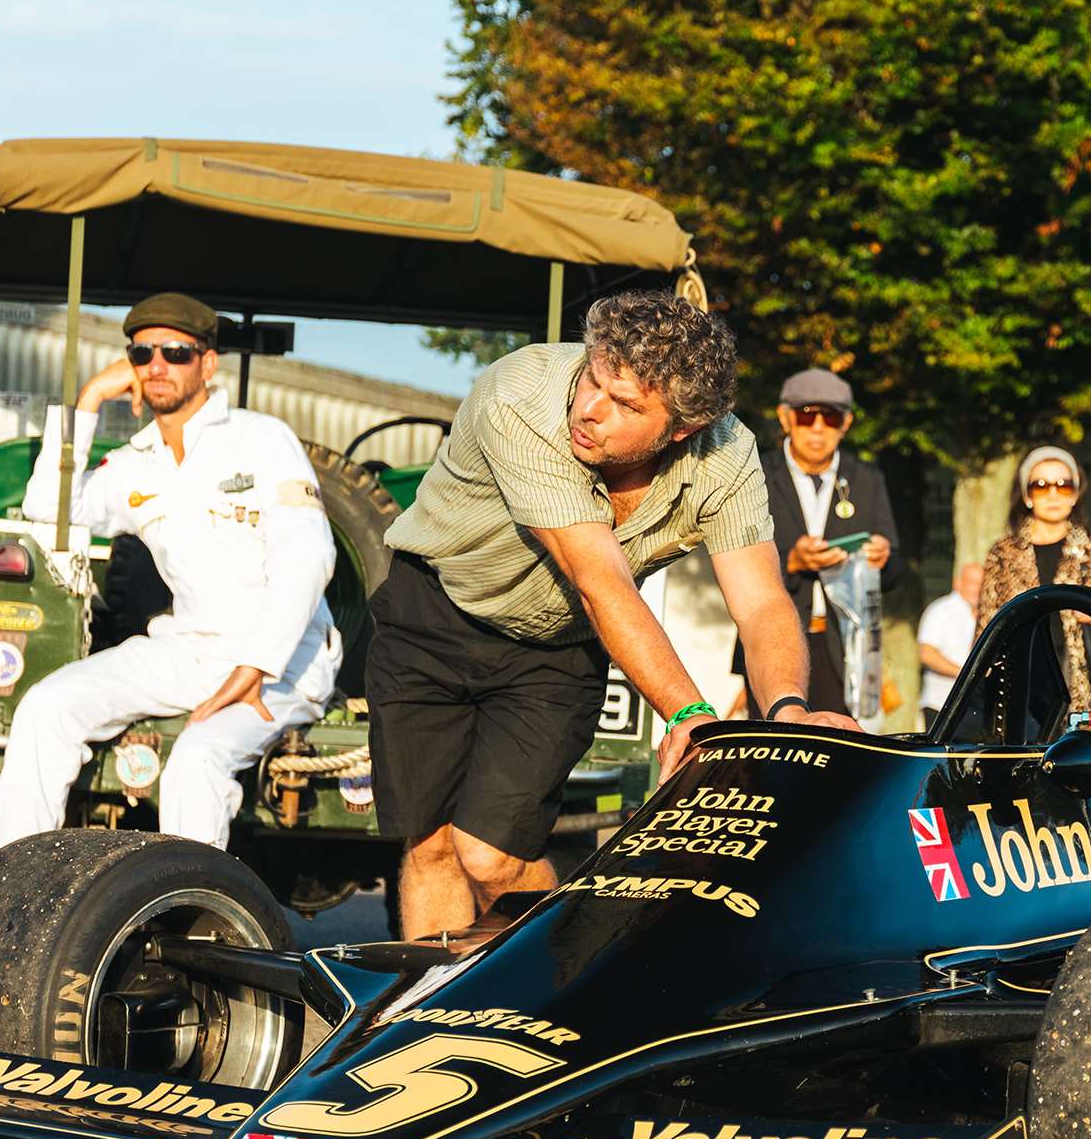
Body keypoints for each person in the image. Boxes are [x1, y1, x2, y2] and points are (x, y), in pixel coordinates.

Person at [368, 292, 859, 938]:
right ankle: (433, 1023)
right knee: (428, 846)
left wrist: (787, 708)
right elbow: (599, 578)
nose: (590, 410)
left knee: (491, 858)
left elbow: (762, 599)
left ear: (681, 429)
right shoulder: (520, 394)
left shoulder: (725, 452)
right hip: (432, 615)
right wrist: (689, 714)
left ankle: (563, 992)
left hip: (557, 645)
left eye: (625, 404)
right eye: (594, 380)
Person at [0, 293, 339, 865]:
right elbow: (48, 507)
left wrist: (256, 665)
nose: (157, 366)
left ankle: (192, 928)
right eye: (143, 353)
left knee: (196, 759)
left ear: (208, 363)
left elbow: (308, 554)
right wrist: (88, 400)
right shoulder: (136, 461)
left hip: (283, 661)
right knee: (46, 708)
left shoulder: (261, 439)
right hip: (191, 649)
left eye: (175, 351)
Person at [738, 367, 897, 716]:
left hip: (843, 645)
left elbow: (893, 572)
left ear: (846, 423)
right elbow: (735, 561)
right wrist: (792, 562)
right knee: (773, 747)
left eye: (831, 417)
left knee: (836, 752)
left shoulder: (866, 479)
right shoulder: (755, 474)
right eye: (807, 416)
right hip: (774, 634)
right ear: (785, 418)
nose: (818, 428)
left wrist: (882, 558)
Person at [976, 445, 1091, 703]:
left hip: (1081, 682)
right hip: (1019, 683)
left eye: (1064, 485)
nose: (1053, 494)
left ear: (1075, 494)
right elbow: (987, 623)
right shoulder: (1003, 552)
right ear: (1027, 496)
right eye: (1041, 486)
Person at [916, 560, 983, 716]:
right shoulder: (939, 611)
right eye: (973, 583)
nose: (978, 589)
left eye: (982, 583)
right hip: (941, 706)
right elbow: (927, 654)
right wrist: (966, 675)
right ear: (958, 583)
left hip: (974, 708)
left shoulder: (986, 614)